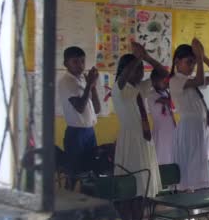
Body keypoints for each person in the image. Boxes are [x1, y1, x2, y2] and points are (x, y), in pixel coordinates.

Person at [169, 39, 209, 192]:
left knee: (200, 169)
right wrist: (200, 58)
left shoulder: (190, 81)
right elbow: (200, 79)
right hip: (189, 129)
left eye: (194, 63)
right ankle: (187, 204)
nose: (193, 67)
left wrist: (204, 57)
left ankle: (195, 206)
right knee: (189, 169)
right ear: (177, 62)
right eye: (189, 62)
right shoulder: (175, 81)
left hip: (200, 128)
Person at [111, 42, 163, 197]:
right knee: (132, 179)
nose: (140, 73)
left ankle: (142, 213)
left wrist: (146, 57)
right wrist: (137, 59)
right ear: (125, 71)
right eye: (136, 69)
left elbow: (163, 74)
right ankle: (130, 215)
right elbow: (123, 78)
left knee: (146, 179)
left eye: (141, 69)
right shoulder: (119, 88)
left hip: (145, 139)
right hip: (130, 139)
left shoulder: (141, 87)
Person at [57, 46, 101, 184]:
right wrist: (89, 85)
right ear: (66, 64)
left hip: (89, 131)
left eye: (82, 61)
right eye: (75, 62)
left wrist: (92, 86)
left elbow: (98, 108)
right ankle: (72, 200)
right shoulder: (66, 81)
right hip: (76, 134)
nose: (80, 65)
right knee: (75, 173)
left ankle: (87, 199)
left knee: (90, 171)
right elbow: (80, 107)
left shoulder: (83, 79)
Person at [147, 67, 176, 165]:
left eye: (167, 80)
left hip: (171, 129)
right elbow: (170, 102)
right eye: (164, 81)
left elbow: (174, 105)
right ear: (154, 82)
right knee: (161, 156)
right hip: (160, 131)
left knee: (171, 155)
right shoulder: (151, 95)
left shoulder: (166, 93)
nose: (166, 83)